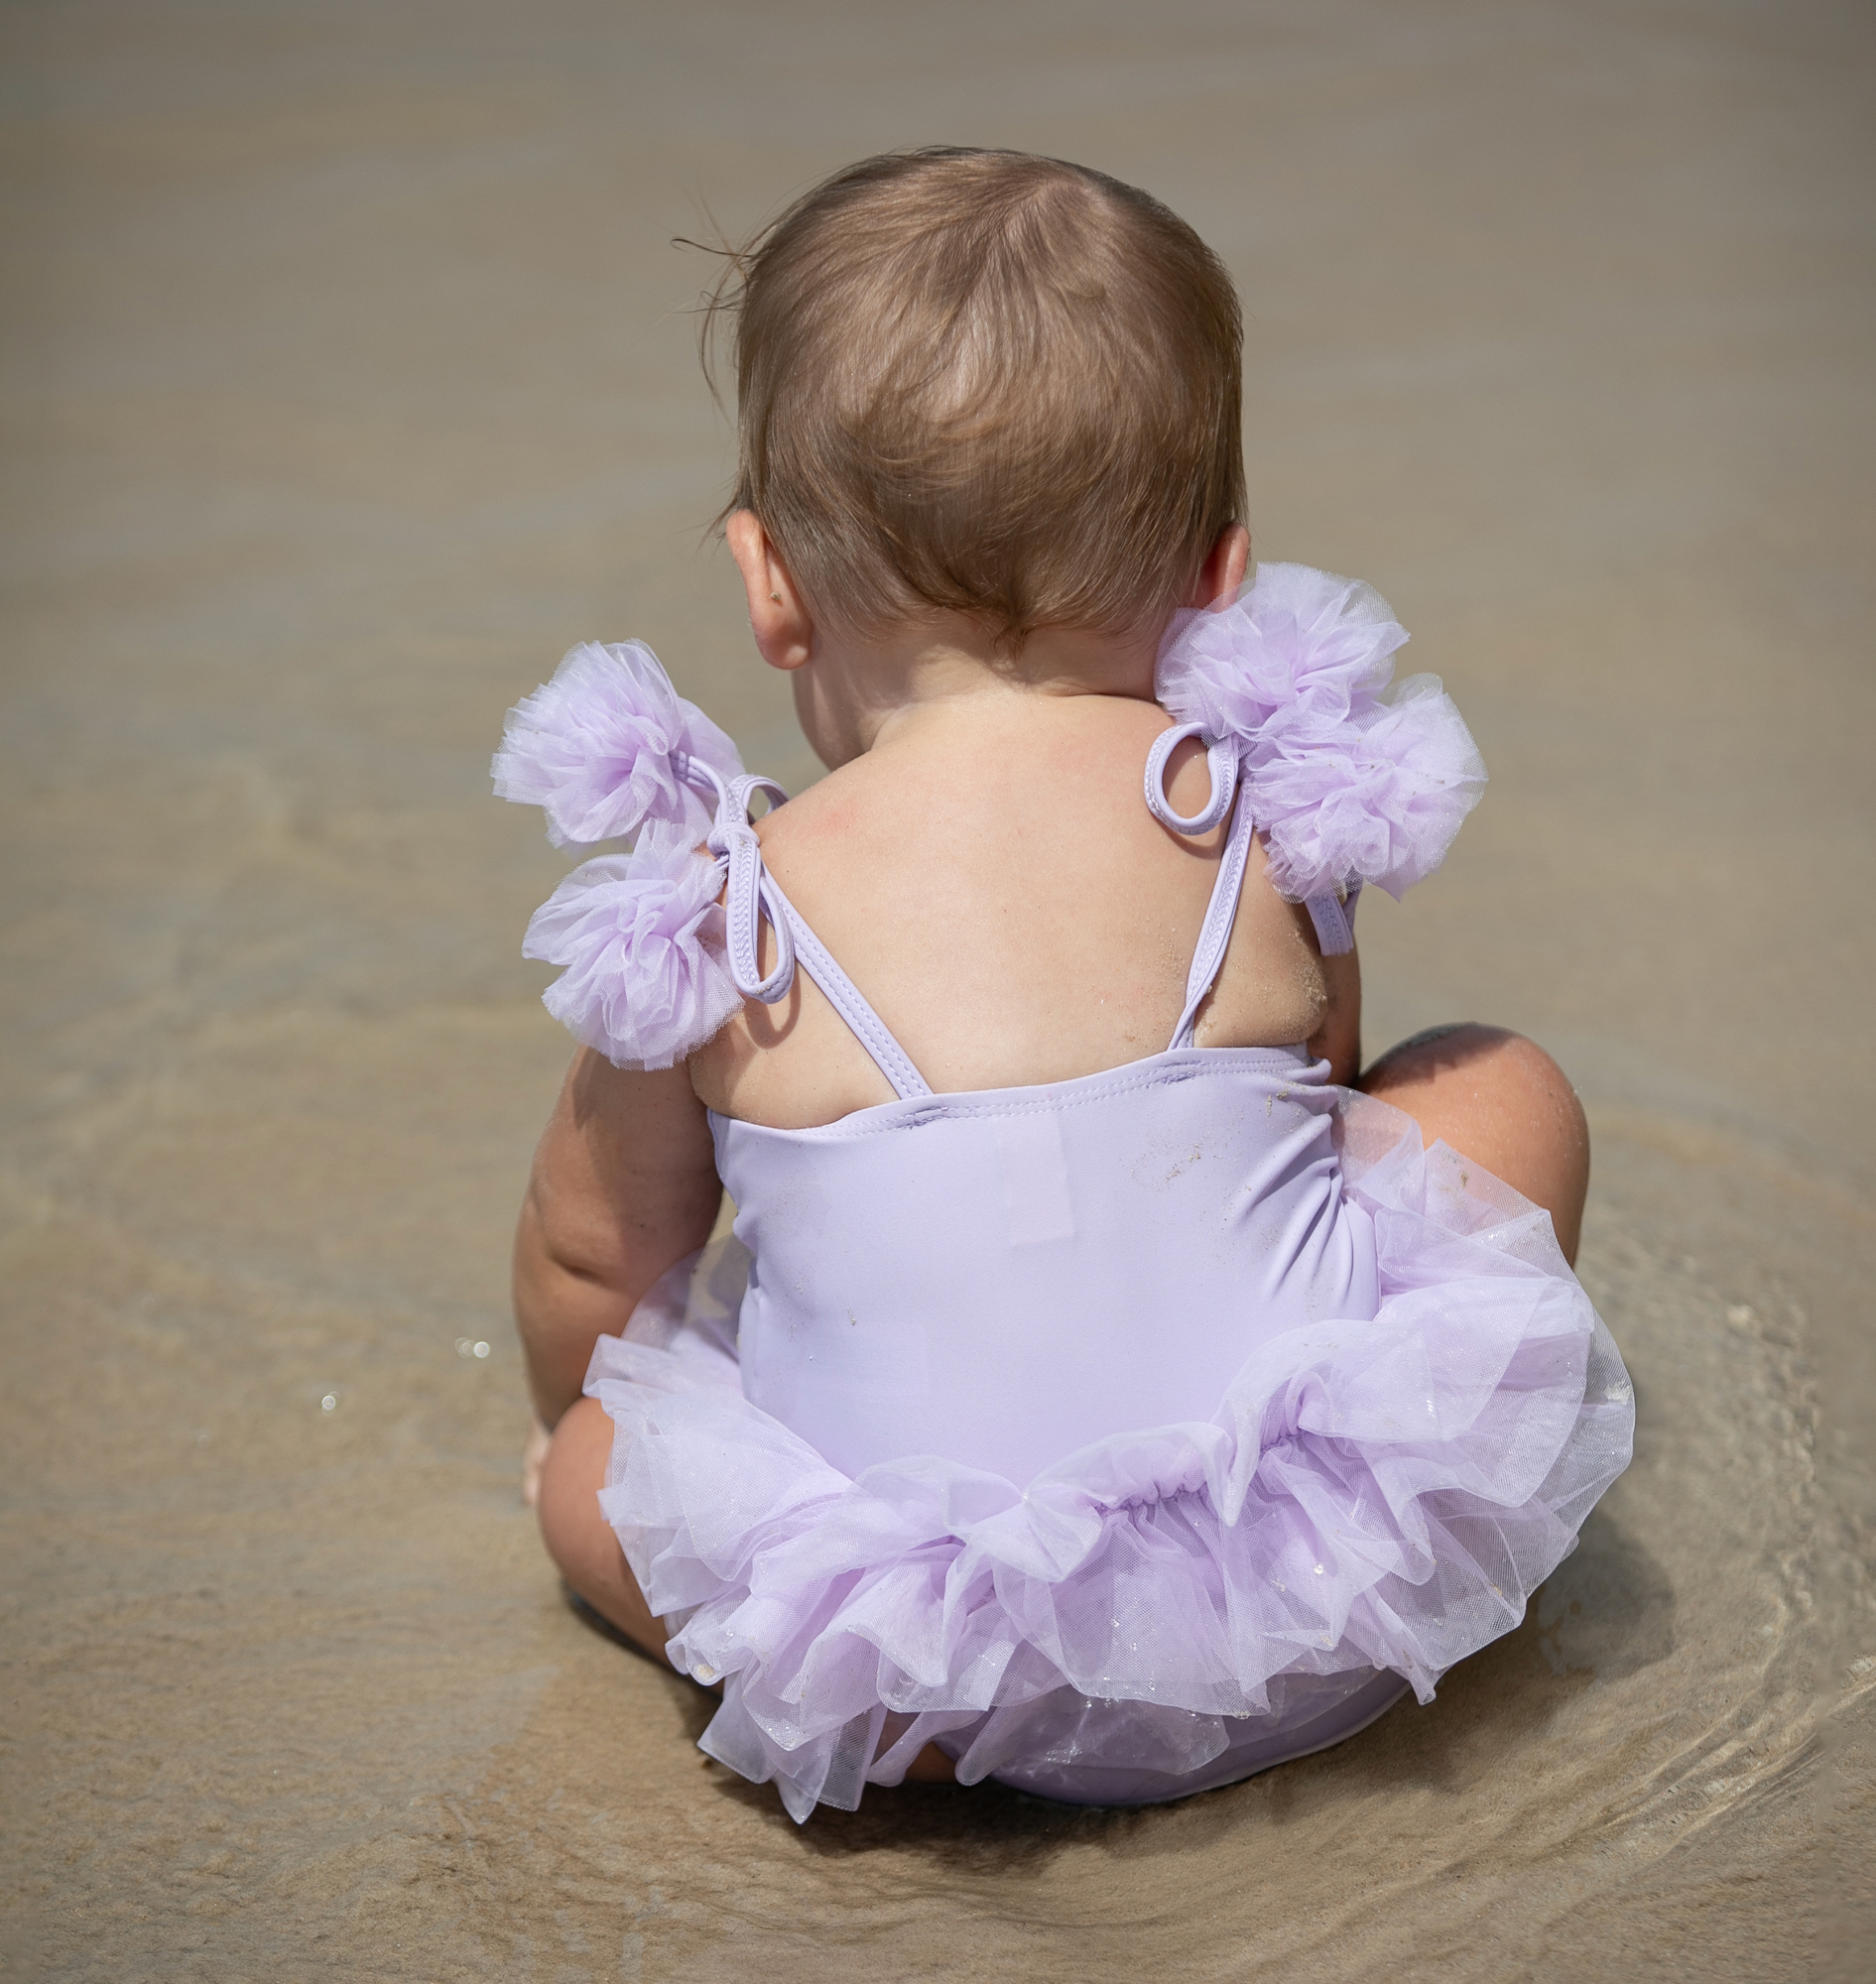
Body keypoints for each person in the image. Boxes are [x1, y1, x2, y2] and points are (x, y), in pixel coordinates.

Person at [494, 148, 1633, 1823]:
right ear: (1221, 571)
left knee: (599, 1463)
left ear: (768, 585)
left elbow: (595, 1252)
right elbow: (1322, 1105)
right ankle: (1439, 1553)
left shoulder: (722, 912)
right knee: (1494, 1080)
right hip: (1315, 1600)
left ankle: (898, 1706)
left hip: (911, 1672)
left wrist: (584, 1446)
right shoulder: (1255, 813)